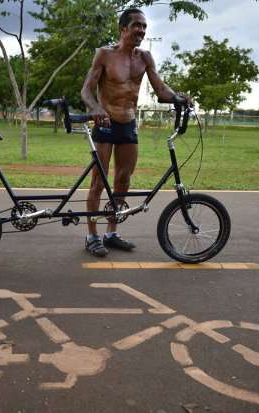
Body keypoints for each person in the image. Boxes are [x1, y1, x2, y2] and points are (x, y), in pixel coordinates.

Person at [81, 8, 191, 257]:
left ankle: (111, 232)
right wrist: (96, 108)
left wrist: (179, 98)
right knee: (99, 182)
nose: (141, 30)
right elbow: (86, 91)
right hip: (106, 124)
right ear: (123, 28)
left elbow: (161, 90)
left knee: (123, 180)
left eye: (144, 26)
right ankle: (92, 236)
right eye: (137, 25)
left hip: (129, 124)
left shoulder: (145, 58)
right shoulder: (105, 55)